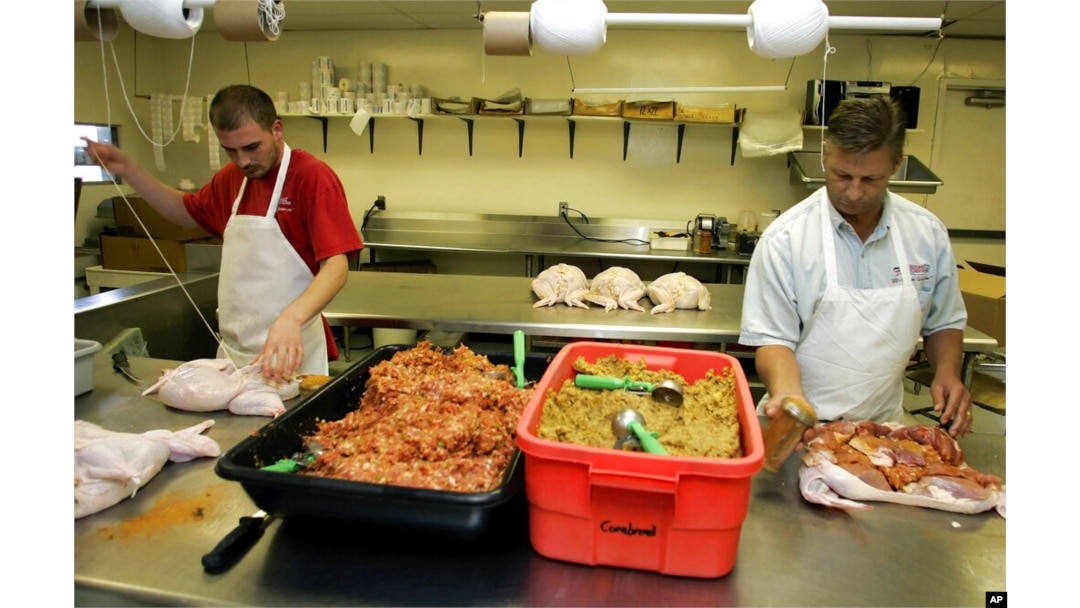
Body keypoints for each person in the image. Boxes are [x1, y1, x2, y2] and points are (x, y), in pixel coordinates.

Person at [85, 84, 363, 381]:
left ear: (277, 129)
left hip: (291, 353)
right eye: (230, 150)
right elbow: (184, 211)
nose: (243, 161)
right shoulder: (232, 179)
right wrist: (127, 170)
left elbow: (336, 267)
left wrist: (291, 318)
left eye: (252, 147)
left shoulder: (311, 177)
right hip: (233, 355)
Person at [738, 96, 973, 439]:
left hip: (884, 430)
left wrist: (947, 373)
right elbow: (773, 339)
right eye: (841, 174)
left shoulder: (926, 233)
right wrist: (788, 394)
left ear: (897, 165)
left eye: (871, 179)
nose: (854, 192)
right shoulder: (785, 239)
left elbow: (944, 322)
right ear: (824, 156)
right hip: (802, 426)